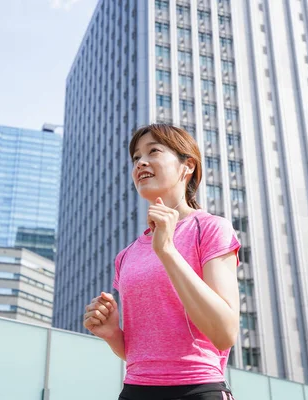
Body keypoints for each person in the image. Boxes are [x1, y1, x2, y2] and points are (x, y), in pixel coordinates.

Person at [83, 124, 240, 400]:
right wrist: (112, 334)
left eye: (153, 151)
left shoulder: (211, 228)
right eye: (135, 158)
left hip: (197, 389)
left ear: (187, 165)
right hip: (135, 390)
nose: (140, 162)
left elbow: (224, 332)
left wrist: (167, 249)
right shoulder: (127, 255)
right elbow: (141, 351)